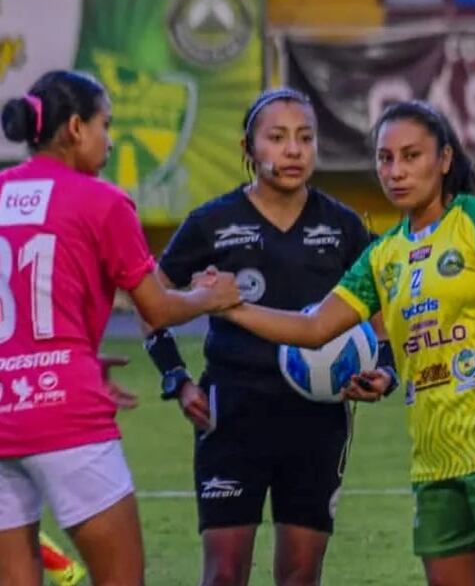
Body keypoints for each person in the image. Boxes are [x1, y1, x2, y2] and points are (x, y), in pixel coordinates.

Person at [206, 100, 475, 586]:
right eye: (385, 158)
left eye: (411, 156)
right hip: (433, 458)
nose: (395, 171)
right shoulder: (383, 254)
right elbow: (314, 328)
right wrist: (232, 307)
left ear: (444, 159)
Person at [0, 70, 239, 586]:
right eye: (105, 125)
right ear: (75, 127)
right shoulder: (101, 201)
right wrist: (212, 297)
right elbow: (156, 309)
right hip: (64, 414)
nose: (110, 140)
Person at [142, 87, 381, 586]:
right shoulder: (211, 223)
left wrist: (386, 370)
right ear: (249, 149)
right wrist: (178, 380)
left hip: (318, 420)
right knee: (224, 575)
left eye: (305, 138)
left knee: (300, 575)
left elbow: (383, 309)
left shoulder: (343, 226)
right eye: (277, 138)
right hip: (232, 415)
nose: (293, 151)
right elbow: (152, 304)